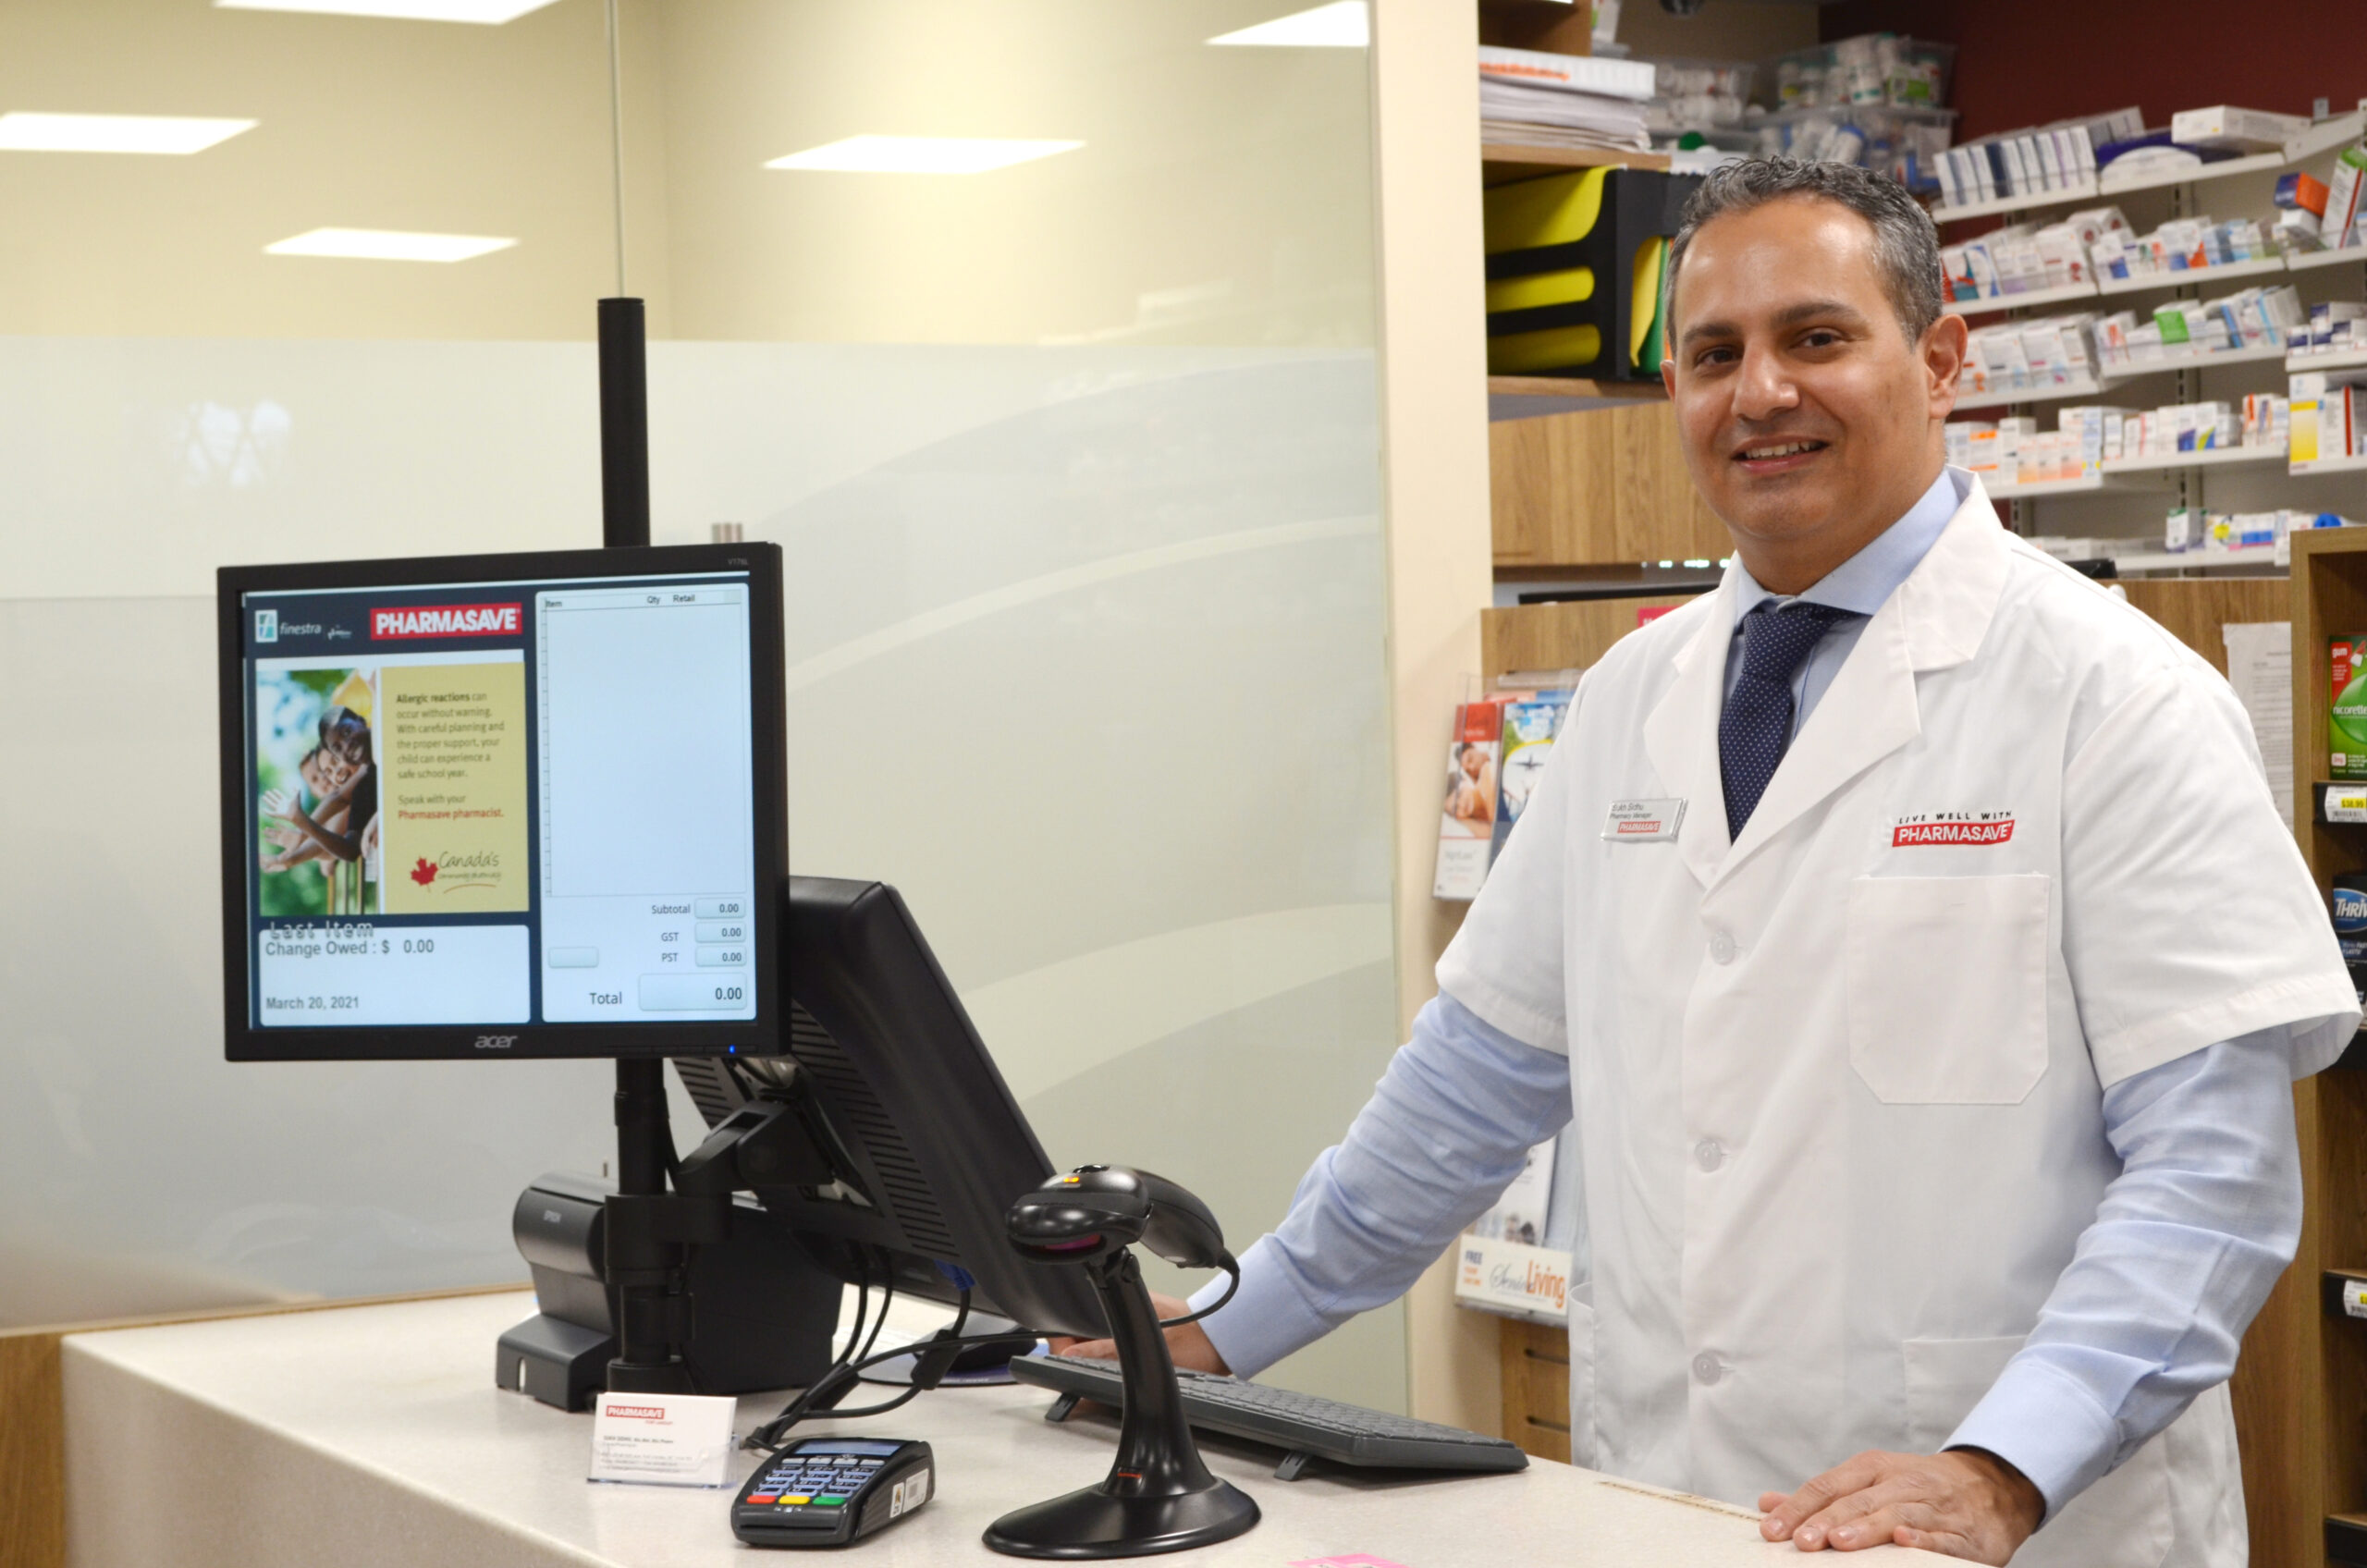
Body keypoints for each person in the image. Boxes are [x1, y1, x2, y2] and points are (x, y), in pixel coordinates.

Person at [1065, 159, 2354, 1566]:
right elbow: (1477, 1078)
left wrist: (1999, 1466)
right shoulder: (1634, 698)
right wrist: (1219, 1332)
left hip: (2015, 1528)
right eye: (1711, 355)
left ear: (1938, 362)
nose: (1759, 394)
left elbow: (2211, 1181)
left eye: (1815, 338)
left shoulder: (2114, 698)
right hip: (1677, 1504)